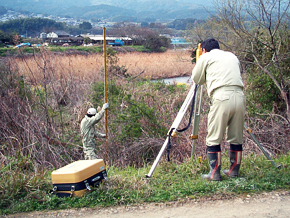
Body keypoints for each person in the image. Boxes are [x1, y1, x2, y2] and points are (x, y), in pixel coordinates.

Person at [191, 38, 246, 181]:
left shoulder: (206, 57)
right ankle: (234, 171)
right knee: (236, 136)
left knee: (214, 137)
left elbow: (197, 79)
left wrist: (200, 61)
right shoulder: (232, 56)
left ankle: (214, 173)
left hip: (221, 96)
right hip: (239, 96)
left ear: (203, 50)